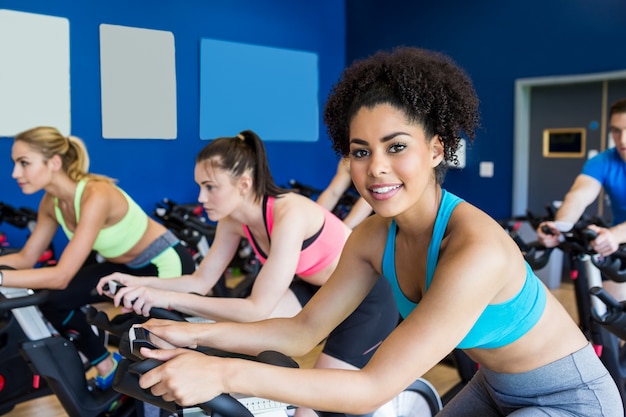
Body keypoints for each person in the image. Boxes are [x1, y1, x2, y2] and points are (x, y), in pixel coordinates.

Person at [133, 47, 622, 416]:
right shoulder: (371, 238)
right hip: (493, 386)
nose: (377, 169)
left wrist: (221, 371)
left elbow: (371, 388)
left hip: (569, 397)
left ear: (436, 149)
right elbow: (303, 331)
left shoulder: (476, 249)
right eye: (361, 151)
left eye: (396, 147)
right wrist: (190, 334)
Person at [96, 129, 398, 417]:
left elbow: (256, 309)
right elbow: (199, 281)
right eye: (200, 186)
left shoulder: (289, 213)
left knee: (310, 408)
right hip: (318, 290)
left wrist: (165, 297)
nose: (201, 198)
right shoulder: (233, 221)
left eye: (210, 187)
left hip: (366, 301)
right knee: (230, 341)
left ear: (243, 184)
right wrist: (137, 282)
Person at [0, 126, 196, 390]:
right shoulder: (52, 202)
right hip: (125, 267)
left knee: (151, 344)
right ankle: (106, 365)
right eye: (15, 163)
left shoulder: (96, 194)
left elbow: (61, 276)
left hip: (164, 263)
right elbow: (25, 258)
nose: (15, 173)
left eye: (24, 163)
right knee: (56, 301)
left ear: (54, 162)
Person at [537, 98, 626, 301]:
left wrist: (614, 235)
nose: (622, 140)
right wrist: (560, 227)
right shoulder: (603, 161)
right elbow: (579, 195)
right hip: (621, 246)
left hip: (619, 237)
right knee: (613, 317)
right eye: (616, 130)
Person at [317, 157, 373, 229]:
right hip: (352, 203)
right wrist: (314, 221)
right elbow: (333, 193)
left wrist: (343, 232)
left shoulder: (381, 164)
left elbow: (368, 201)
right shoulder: (349, 158)